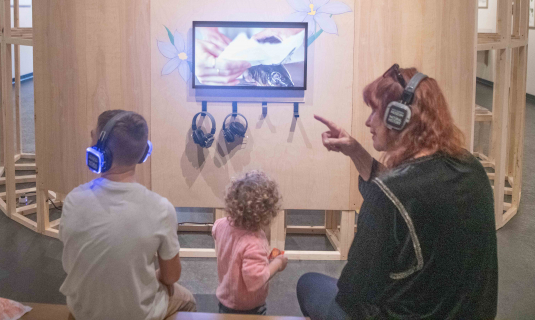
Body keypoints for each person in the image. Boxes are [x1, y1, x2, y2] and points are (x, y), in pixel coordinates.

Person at [297, 65, 498, 320]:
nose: (368, 122)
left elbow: (352, 292)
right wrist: (356, 151)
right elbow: (410, 192)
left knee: (309, 283)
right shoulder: (471, 166)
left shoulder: (390, 194)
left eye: (374, 112)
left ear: (398, 117)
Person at [59, 110, 197, 320]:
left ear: (100, 150)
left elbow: (73, 262)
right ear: (143, 153)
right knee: (187, 299)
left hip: (82, 313)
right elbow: (171, 276)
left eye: (93, 134)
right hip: (138, 315)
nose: (91, 136)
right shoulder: (160, 208)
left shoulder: (72, 200)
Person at [213, 170, 289, 315]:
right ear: (267, 211)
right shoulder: (254, 242)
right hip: (249, 308)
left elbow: (215, 232)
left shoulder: (221, 224)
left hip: (225, 301)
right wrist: (278, 263)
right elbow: (256, 281)